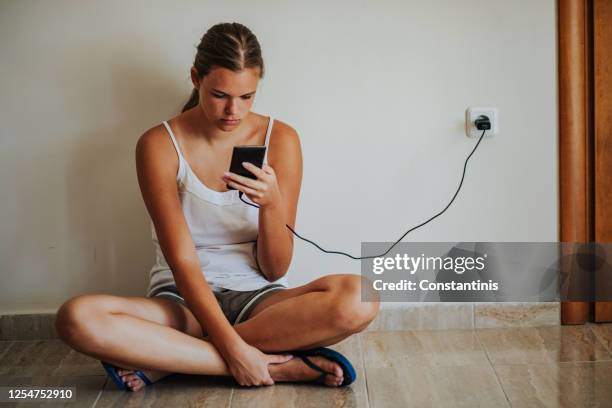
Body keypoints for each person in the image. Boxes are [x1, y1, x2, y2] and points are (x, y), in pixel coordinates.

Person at [55, 22, 379, 392]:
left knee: (359, 298)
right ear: (196, 78)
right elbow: (183, 260)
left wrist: (272, 205)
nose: (233, 111)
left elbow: (275, 269)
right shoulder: (159, 144)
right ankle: (271, 366)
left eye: (246, 97)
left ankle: (174, 360)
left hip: (259, 299)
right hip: (182, 299)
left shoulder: (282, 139)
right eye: (220, 95)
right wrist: (233, 351)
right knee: (76, 318)